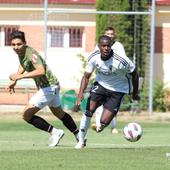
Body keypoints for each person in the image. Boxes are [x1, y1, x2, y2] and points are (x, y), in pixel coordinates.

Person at [8, 30, 79, 147]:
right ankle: (79, 135)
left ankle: (55, 132)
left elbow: (41, 71)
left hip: (48, 87)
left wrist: (20, 77)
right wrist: (15, 80)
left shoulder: (31, 54)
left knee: (26, 115)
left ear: (25, 43)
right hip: (52, 86)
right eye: (13, 45)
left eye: (19, 44)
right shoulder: (21, 53)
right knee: (59, 114)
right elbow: (23, 65)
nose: (16, 47)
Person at [75, 35, 140, 149]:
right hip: (101, 85)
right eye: (103, 46)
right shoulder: (93, 57)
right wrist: (80, 94)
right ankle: (81, 141)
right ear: (99, 46)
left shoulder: (121, 60)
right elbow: (86, 77)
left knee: (103, 122)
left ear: (111, 47)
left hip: (118, 90)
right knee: (88, 111)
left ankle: (102, 122)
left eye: (108, 46)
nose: (106, 48)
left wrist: (135, 92)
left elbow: (135, 74)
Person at [91, 27, 128, 134]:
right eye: (108, 33)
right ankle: (98, 124)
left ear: (114, 35)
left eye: (112, 34)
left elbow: (123, 61)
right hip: (103, 79)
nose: (110, 35)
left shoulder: (118, 46)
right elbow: (94, 59)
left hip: (116, 82)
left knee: (111, 107)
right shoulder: (99, 46)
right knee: (98, 102)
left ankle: (113, 127)